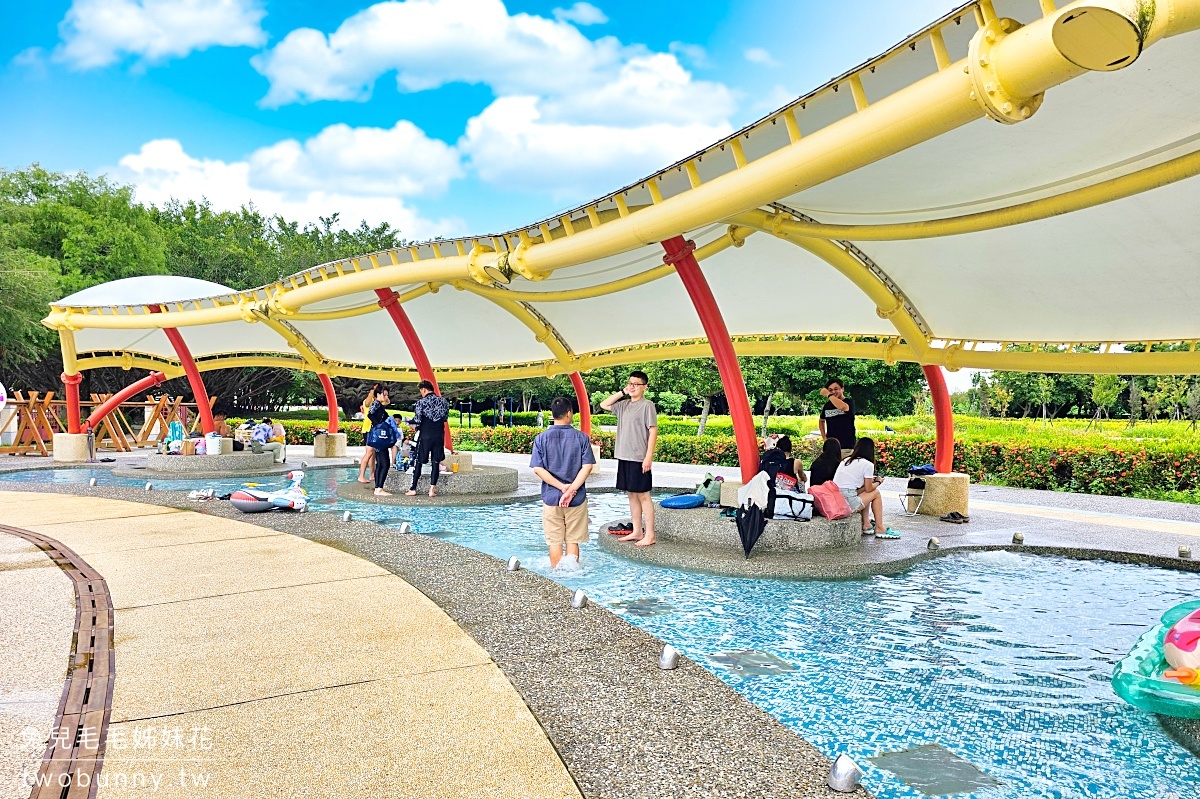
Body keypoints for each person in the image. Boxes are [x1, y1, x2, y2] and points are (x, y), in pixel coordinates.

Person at [530, 396, 597, 568]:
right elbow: (587, 466)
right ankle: (571, 578)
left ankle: (557, 581)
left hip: (551, 498)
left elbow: (538, 469)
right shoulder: (581, 438)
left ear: (553, 414)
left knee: (555, 541)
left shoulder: (541, 439)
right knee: (573, 540)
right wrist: (571, 490)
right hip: (576, 499)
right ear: (568, 414)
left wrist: (561, 488)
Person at [599, 370, 658, 547]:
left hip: (639, 457)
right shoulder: (623, 405)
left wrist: (648, 457)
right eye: (630, 383)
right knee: (631, 494)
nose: (632, 386)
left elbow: (653, 431)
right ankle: (637, 531)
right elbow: (603, 404)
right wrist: (622, 392)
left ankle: (651, 535)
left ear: (644, 387)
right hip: (624, 456)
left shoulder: (648, 405)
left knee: (644, 496)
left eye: (636, 384)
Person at [832, 437, 898, 538]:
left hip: (837, 499)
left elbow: (858, 486)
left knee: (866, 495)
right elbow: (869, 489)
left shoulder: (846, 461)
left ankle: (866, 524)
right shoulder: (868, 465)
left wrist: (870, 481)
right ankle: (880, 527)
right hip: (848, 501)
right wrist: (879, 481)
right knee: (875, 493)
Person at [407, 380, 449, 498]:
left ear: (424, 389)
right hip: (438, 435)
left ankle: (413, 488)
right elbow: (445, 418)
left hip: (425, 435)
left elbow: (418, 420)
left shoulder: (421, 402)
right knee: (436, 462)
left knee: (419, 461)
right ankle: (432, 490)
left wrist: (412, 424)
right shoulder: (444, 401)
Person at [365, 388, 394, 496]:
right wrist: (379, 426)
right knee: (385, 463)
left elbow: (387, 403)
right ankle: (379, 488)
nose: (386, 397)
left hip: (379, 438)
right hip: (380, 437)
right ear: (378, 394)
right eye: (384, 394)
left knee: (381, 463)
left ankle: (378, 487)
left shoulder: (378, 404)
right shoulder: (376, 404)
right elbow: (370, 415)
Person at [818, 378, 857, 456]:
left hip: (846, 447)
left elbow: (843, 407)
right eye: (830, 390)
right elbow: (821, 420)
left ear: (842, 389)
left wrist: (829, 395)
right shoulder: (827, 406)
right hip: (831, 448)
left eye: (836, 389)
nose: (833, 392)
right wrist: (824, 438)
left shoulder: (848, 402)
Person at [357, 384, 380, 484]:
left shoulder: (377, 402)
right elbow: (366, 403)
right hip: (368, 429)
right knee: (369, 452)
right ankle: (361, 475)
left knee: (372, 453)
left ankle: (371, 474)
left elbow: (387, 401)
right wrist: (373, 390)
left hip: (374, 429)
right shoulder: (368, 401)